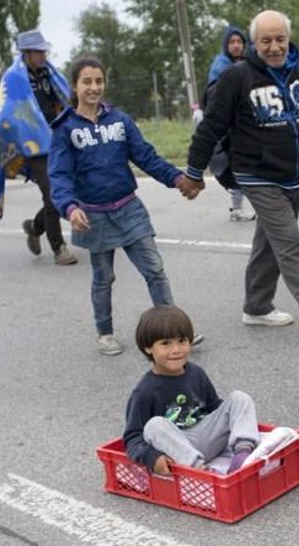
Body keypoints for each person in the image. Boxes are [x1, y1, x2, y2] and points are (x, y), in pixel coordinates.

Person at [178, 10, 299, 342]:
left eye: (280, 39)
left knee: (270, 243)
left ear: (288, 39)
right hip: (255, 173)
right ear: (254, 43)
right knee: (289, 240)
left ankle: (257, 306)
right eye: (266, 41)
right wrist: (194, 173)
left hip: (292, 173)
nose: (274, 47)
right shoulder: (237, 78)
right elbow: (211, 127)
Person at [49, 57, 202, 356]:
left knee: (155, 269)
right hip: (93, 215)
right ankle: (104, 332)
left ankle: (173, 331)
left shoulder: (119, 120)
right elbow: (59, 175)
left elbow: (146, 156)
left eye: (98, 81)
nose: (94, 87)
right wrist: (70, 208)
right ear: (75, 86)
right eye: (87, 82)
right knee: (103, 277)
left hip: (129, 209)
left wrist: (178, 179)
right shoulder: (65, 129)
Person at [124, 305, 259, 475]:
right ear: (148, 348)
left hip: (208, 437)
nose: (176, 350)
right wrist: (152, 457)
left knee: (239, 398)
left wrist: (233, 419)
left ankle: (243, 456)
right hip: (180, 449)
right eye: (166, 343)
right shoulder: (144, 392)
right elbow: (133, 437)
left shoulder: (196, 373)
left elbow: (215, 407)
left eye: (182, 341)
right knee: (154, 426)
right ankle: (204, 473)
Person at [0, 29, 77, 266]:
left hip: (58, 137)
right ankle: (59, 248)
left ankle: (35, 228)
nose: (44, 54)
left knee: (66, 189)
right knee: (52, 192)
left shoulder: (50, 73)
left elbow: (65, 98)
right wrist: (29, 131)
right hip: (32, 143)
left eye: (44, 50)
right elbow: (9, 113)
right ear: (27, 53)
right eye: (39, 51)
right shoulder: (13, 78)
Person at [200, 25, 256, 222]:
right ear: (226, 46)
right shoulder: (221, 67)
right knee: (238, 169)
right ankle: (265, 206)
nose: (236, 46)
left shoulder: (249, 63)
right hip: (227, 128)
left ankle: (237, 208)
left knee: (241, 169)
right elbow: (217, 101)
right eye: (231, 42)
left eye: (239, 42)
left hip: (244, 125)